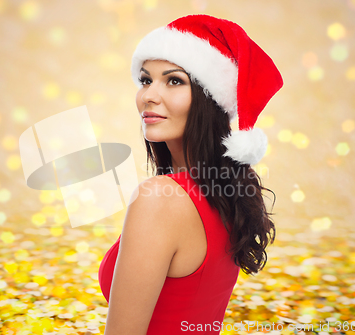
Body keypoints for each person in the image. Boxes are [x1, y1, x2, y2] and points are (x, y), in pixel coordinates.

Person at [98, 14, 283, 334]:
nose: (148, 96)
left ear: (210, 98)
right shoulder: (227, 192)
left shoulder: (158, 199)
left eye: (173, 80)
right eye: (145, 80)